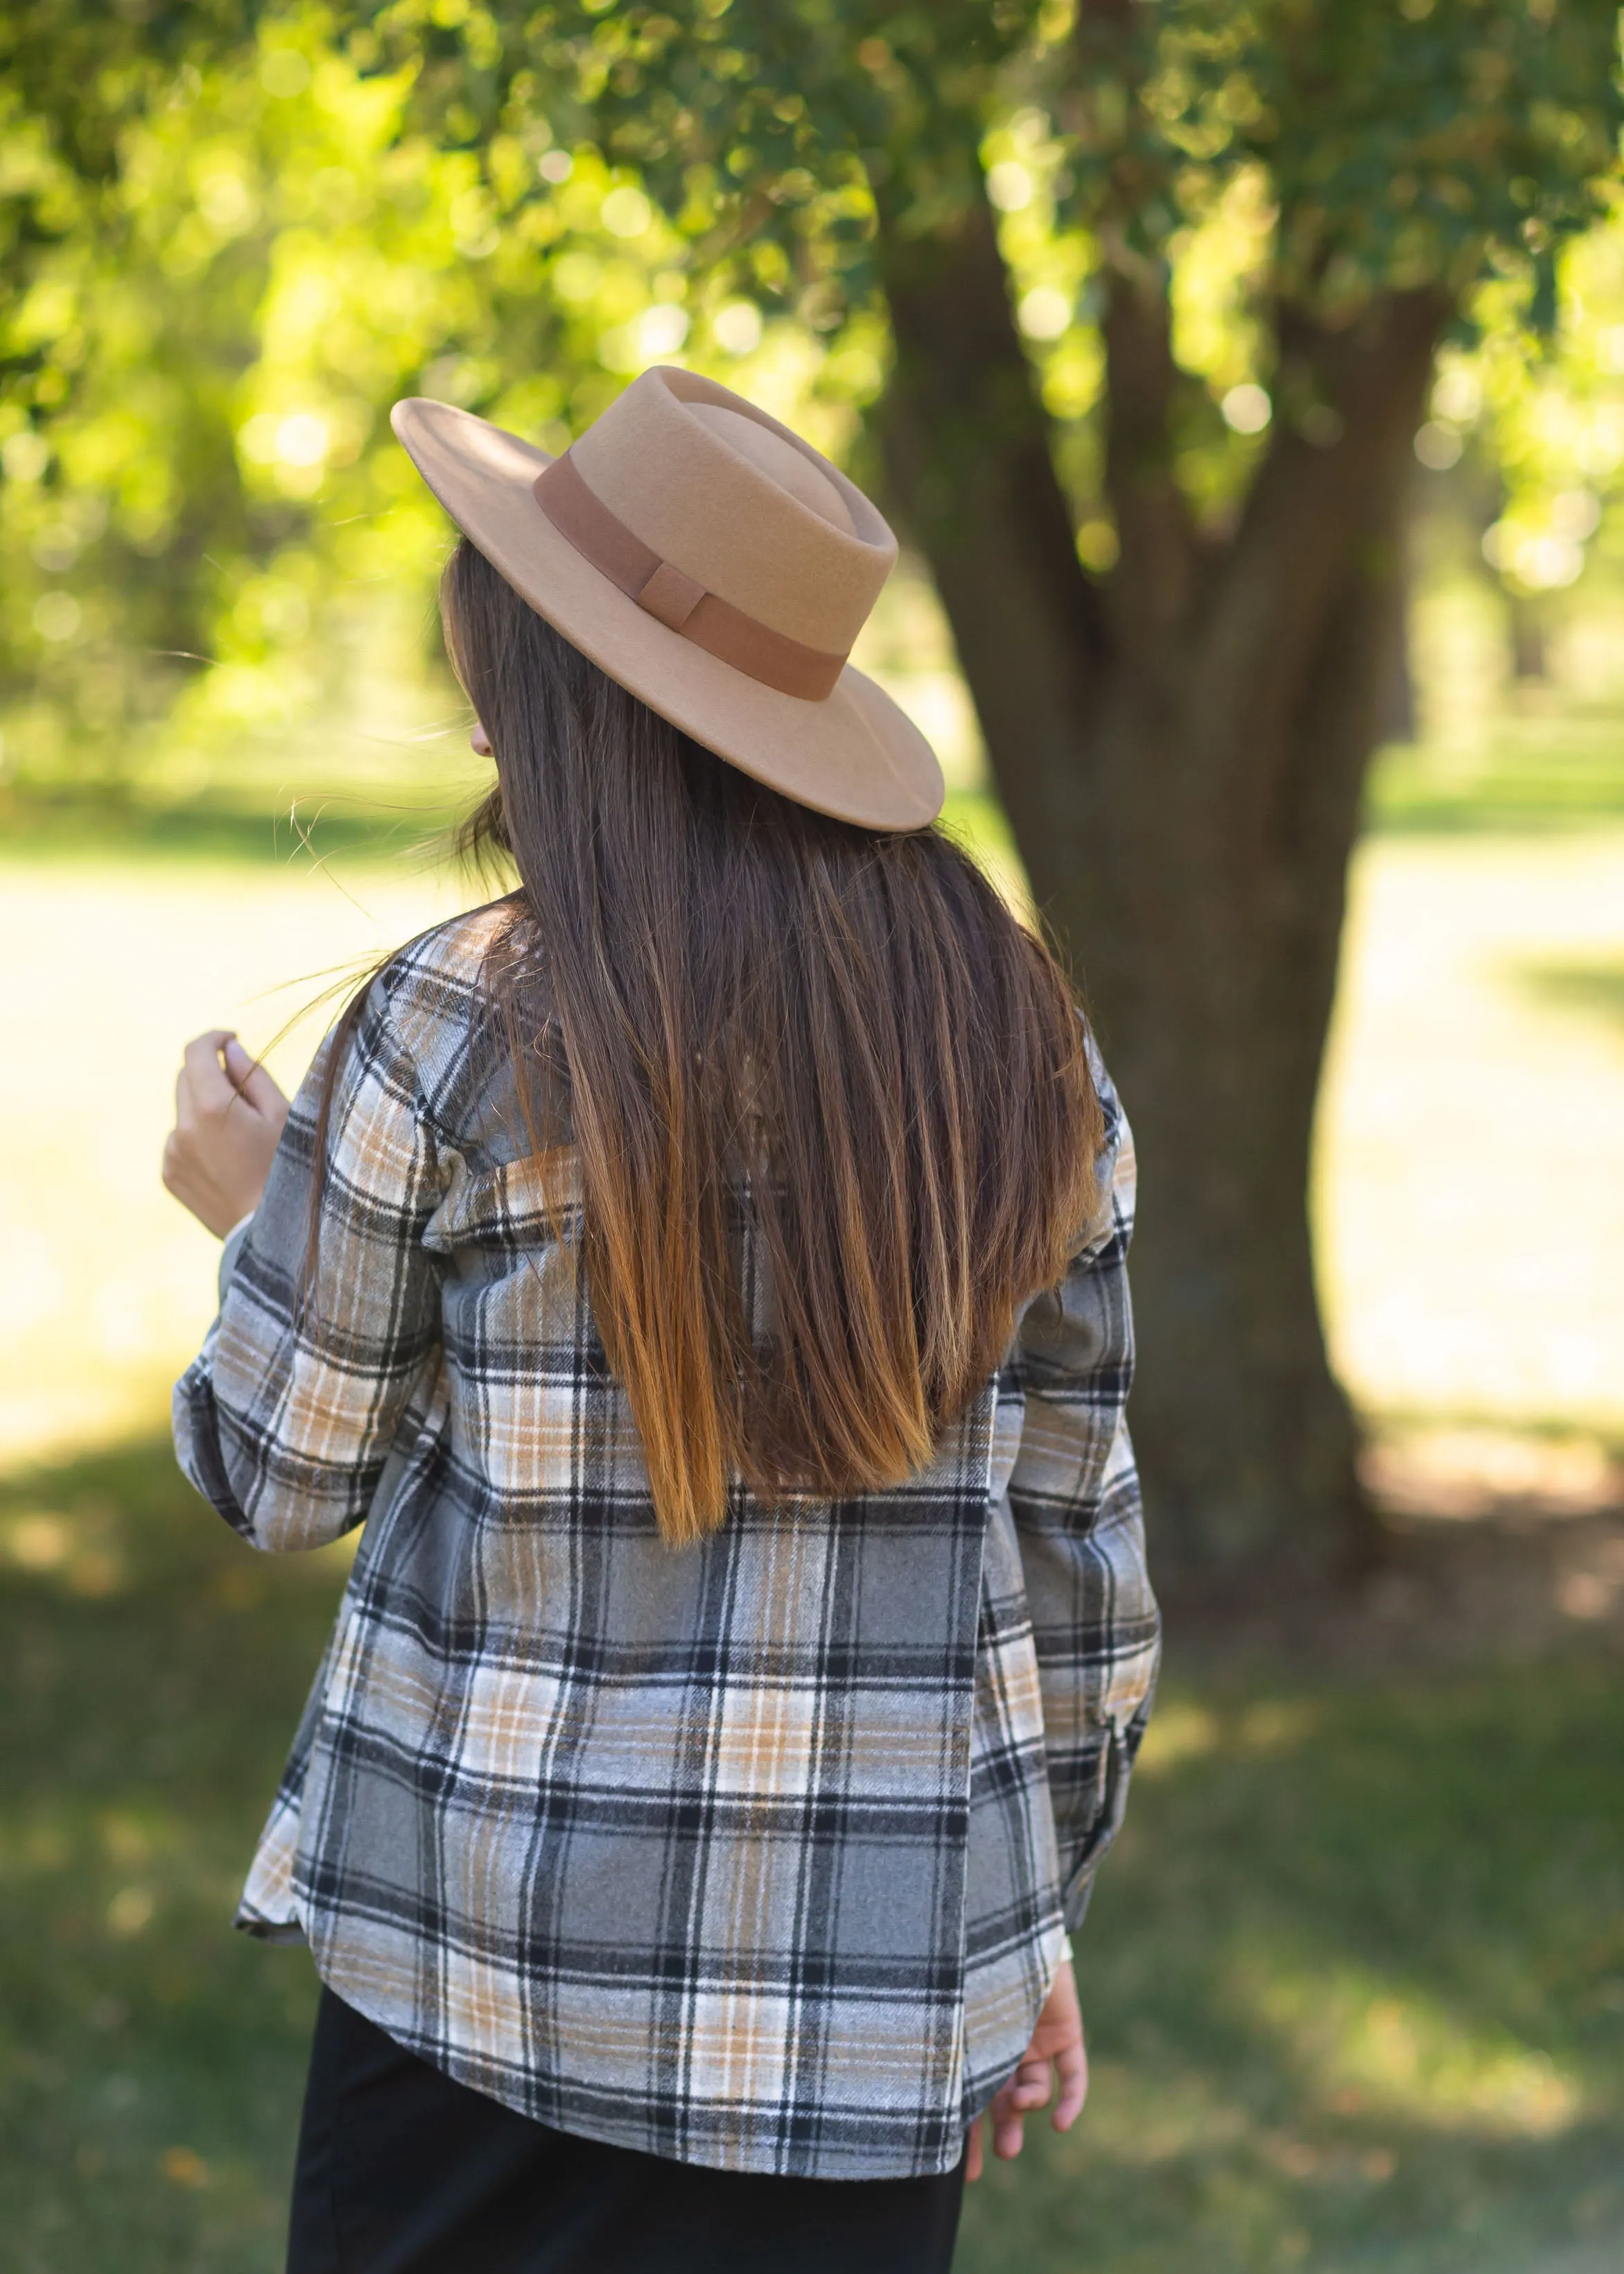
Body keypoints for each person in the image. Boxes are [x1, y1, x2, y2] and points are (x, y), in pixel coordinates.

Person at [164, 366, 1160, 2274]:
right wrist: (1018, 1925)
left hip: (477, 1997)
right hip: (859, 2038)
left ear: (520, 678)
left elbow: (276, 1473)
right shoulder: (1020, 1047)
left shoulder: (456, 1022)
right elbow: (1077, 1558)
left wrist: (257, 1219)